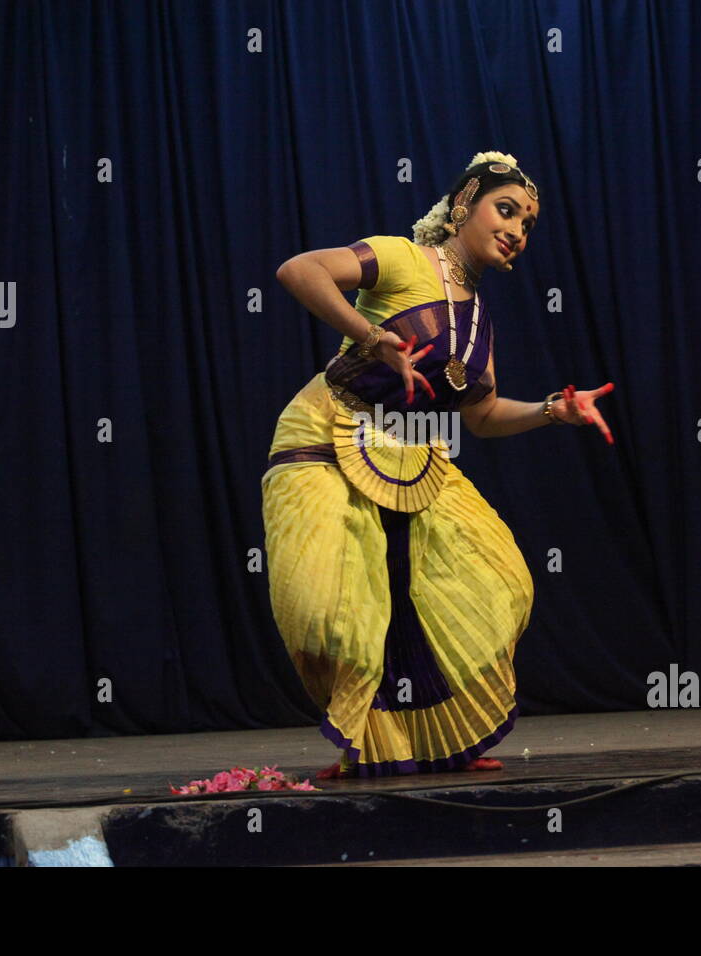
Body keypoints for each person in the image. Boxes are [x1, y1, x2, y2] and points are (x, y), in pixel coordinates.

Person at [263, 150, 614, 779]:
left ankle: (443, 742)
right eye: (505, 210)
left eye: (528, 224)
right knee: (333, 611)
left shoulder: (479, 318)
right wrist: (370, 336)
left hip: (414, 451)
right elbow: (299, 271)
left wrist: (553, 410)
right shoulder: (400, 257)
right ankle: (361, 740)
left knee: (500, 582)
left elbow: (480, 416)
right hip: (328, 432)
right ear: (462, 206)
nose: (517, 230)